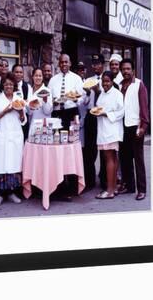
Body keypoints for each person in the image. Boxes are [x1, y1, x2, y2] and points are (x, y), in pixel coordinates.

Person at [48, 54, 84, 199]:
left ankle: (73, 187)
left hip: (71, 113)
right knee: (58, 150)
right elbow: (49, 99)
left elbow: (82, 98)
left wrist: (76, 99)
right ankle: (59, 187)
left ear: (70, 63)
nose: (63, 64)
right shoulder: (53, 80)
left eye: (66, 62)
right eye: (61, 62)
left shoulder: (76, 78)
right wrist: (53, 102)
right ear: (58, 63)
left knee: (71, 149)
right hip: (57, 114)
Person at [0, 73, 27, 207]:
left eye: (11, 84)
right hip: (1, 135)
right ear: (2, 86)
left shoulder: (19, 99)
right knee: (0, 165)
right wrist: (5, 111)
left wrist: (21, 111)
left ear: (14, 86)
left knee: (13, 165)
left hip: (15, 136)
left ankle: (11, 193)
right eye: (6, 84)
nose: (8, 86)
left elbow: (23, 120)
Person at [118, 58, 150, 201]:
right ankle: (129, 186)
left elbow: (144, 108)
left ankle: (141, 189)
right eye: (123, 69)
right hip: (122, 126)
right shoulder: (119, 86)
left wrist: (143, 126)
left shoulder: (139, 85)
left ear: (133, 70)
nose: (125, 71)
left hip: (135, 127)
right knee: (124, 158)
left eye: (128, 69)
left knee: (138, 159)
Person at [94, 71, 124, 199]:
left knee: (109, 159)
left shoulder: (117, 94)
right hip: (104, 130)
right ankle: (114, 187)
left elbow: (121, 112)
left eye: (107, 81)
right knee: (112, 159)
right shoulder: (102, 94)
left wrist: (106, 114)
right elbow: (98, 107)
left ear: (112, 82)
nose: (105, 84)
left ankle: (110, 190)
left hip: (111, 131)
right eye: (103, 81)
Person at [81, 54, 107, 191]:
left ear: (103, 64)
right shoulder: (88, 80)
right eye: (94, 64)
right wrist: (86, 93)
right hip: (91, 116)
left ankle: (104, 180)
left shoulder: (107, 79)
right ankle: (89, 181)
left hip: (102, 116)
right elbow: (84, 103)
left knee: (103, 149)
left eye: (98, 64)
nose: (95, 66)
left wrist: (98, 92)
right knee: (89, 151)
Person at [26, 67, 52, 135]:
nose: (38, 78)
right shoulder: (30, 90)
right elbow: (29, 112)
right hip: (32, 124)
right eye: (36, 75)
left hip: (44, 125)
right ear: (33, 77)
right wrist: (30, 107)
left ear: (42, 77)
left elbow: (48, 111)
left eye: (40, 76)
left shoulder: (47, 91)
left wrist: (45, 101)